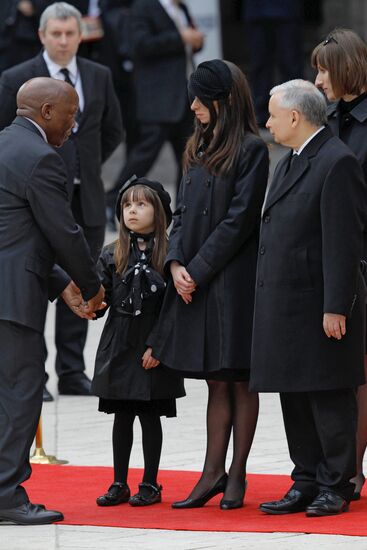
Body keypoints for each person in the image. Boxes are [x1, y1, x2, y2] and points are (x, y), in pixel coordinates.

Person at [149, 59, 269, 510]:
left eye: (201, 98)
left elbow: (239, 224)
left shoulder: (253, 151)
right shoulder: (195, 145)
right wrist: (175, 261)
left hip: (233, 283)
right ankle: (211, 471)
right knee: (216, 382)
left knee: (240, 379)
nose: (193, 106)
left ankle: (236, 473)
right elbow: (179, 213)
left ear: (224, 101)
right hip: (194, 279)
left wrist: (196, 270)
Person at [250, 79, 366, 517]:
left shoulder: (337, 162)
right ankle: (305, 479)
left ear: (295, 117)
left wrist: (336, 305)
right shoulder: (290, 159)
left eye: (273, 115)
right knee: (294, 393)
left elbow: (343, 241)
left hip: (319, 304)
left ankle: (335, 484)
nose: (267, 122)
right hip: (286, 304)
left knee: (328, 394)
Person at [0, 2, 122, 399]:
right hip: (26, 200)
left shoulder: (98, 75)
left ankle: (72, 370)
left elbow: (112, 130)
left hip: (82, 195)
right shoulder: (17, 79)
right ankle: (34, 369)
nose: (65, 41)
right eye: (57, 34)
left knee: (75, 270)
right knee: (33, 277)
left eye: (72, 33)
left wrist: (83, 168)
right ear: (42, 36)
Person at [0, 76, 105, 525]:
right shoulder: (42, 158)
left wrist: (61, 284)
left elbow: (18, 233)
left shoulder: (4, 145)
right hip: (12, 299)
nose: (74, 121)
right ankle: (6, 495)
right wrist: (92, 285)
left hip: (12, 285)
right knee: (22, 392)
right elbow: (61, 232)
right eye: (70, 112)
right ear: (46, 112)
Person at [91, 176, 185, 507]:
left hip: (152, 346)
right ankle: (119, 482)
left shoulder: (170, 256)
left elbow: (174, 308)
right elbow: (99, 296)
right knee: (122, 416)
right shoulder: (111, 253)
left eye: (141, 204)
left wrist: (159, 346)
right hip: (120, 344)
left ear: (158, 212)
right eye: (127, 204)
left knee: (149, 415)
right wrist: (93, 304)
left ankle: (150, 482)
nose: (132, 210)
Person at [312, 28, 367, 502]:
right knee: (346, 367)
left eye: (324, 69)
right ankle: (342, 466)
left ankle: (351, 468)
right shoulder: (325, 117)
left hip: (363, 256)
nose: (317, 78)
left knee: (363, 367)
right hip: (333, 256)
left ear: (346, 68)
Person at [105, 0, 204, 229]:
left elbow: (185, 46)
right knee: (144, 156)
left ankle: (183, 210)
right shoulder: (144, 7)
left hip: (185, 96)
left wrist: (194, 41)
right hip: (158, 97)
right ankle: (112, 200)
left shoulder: (182, 9)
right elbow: (139, 45)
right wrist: (181, 37)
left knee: (190, 157)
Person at [242, 0, 303, 126]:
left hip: (287, 10)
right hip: (257, 11)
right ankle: (261, 112)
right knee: (259, 64)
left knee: (290, 63)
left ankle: (294, 109)